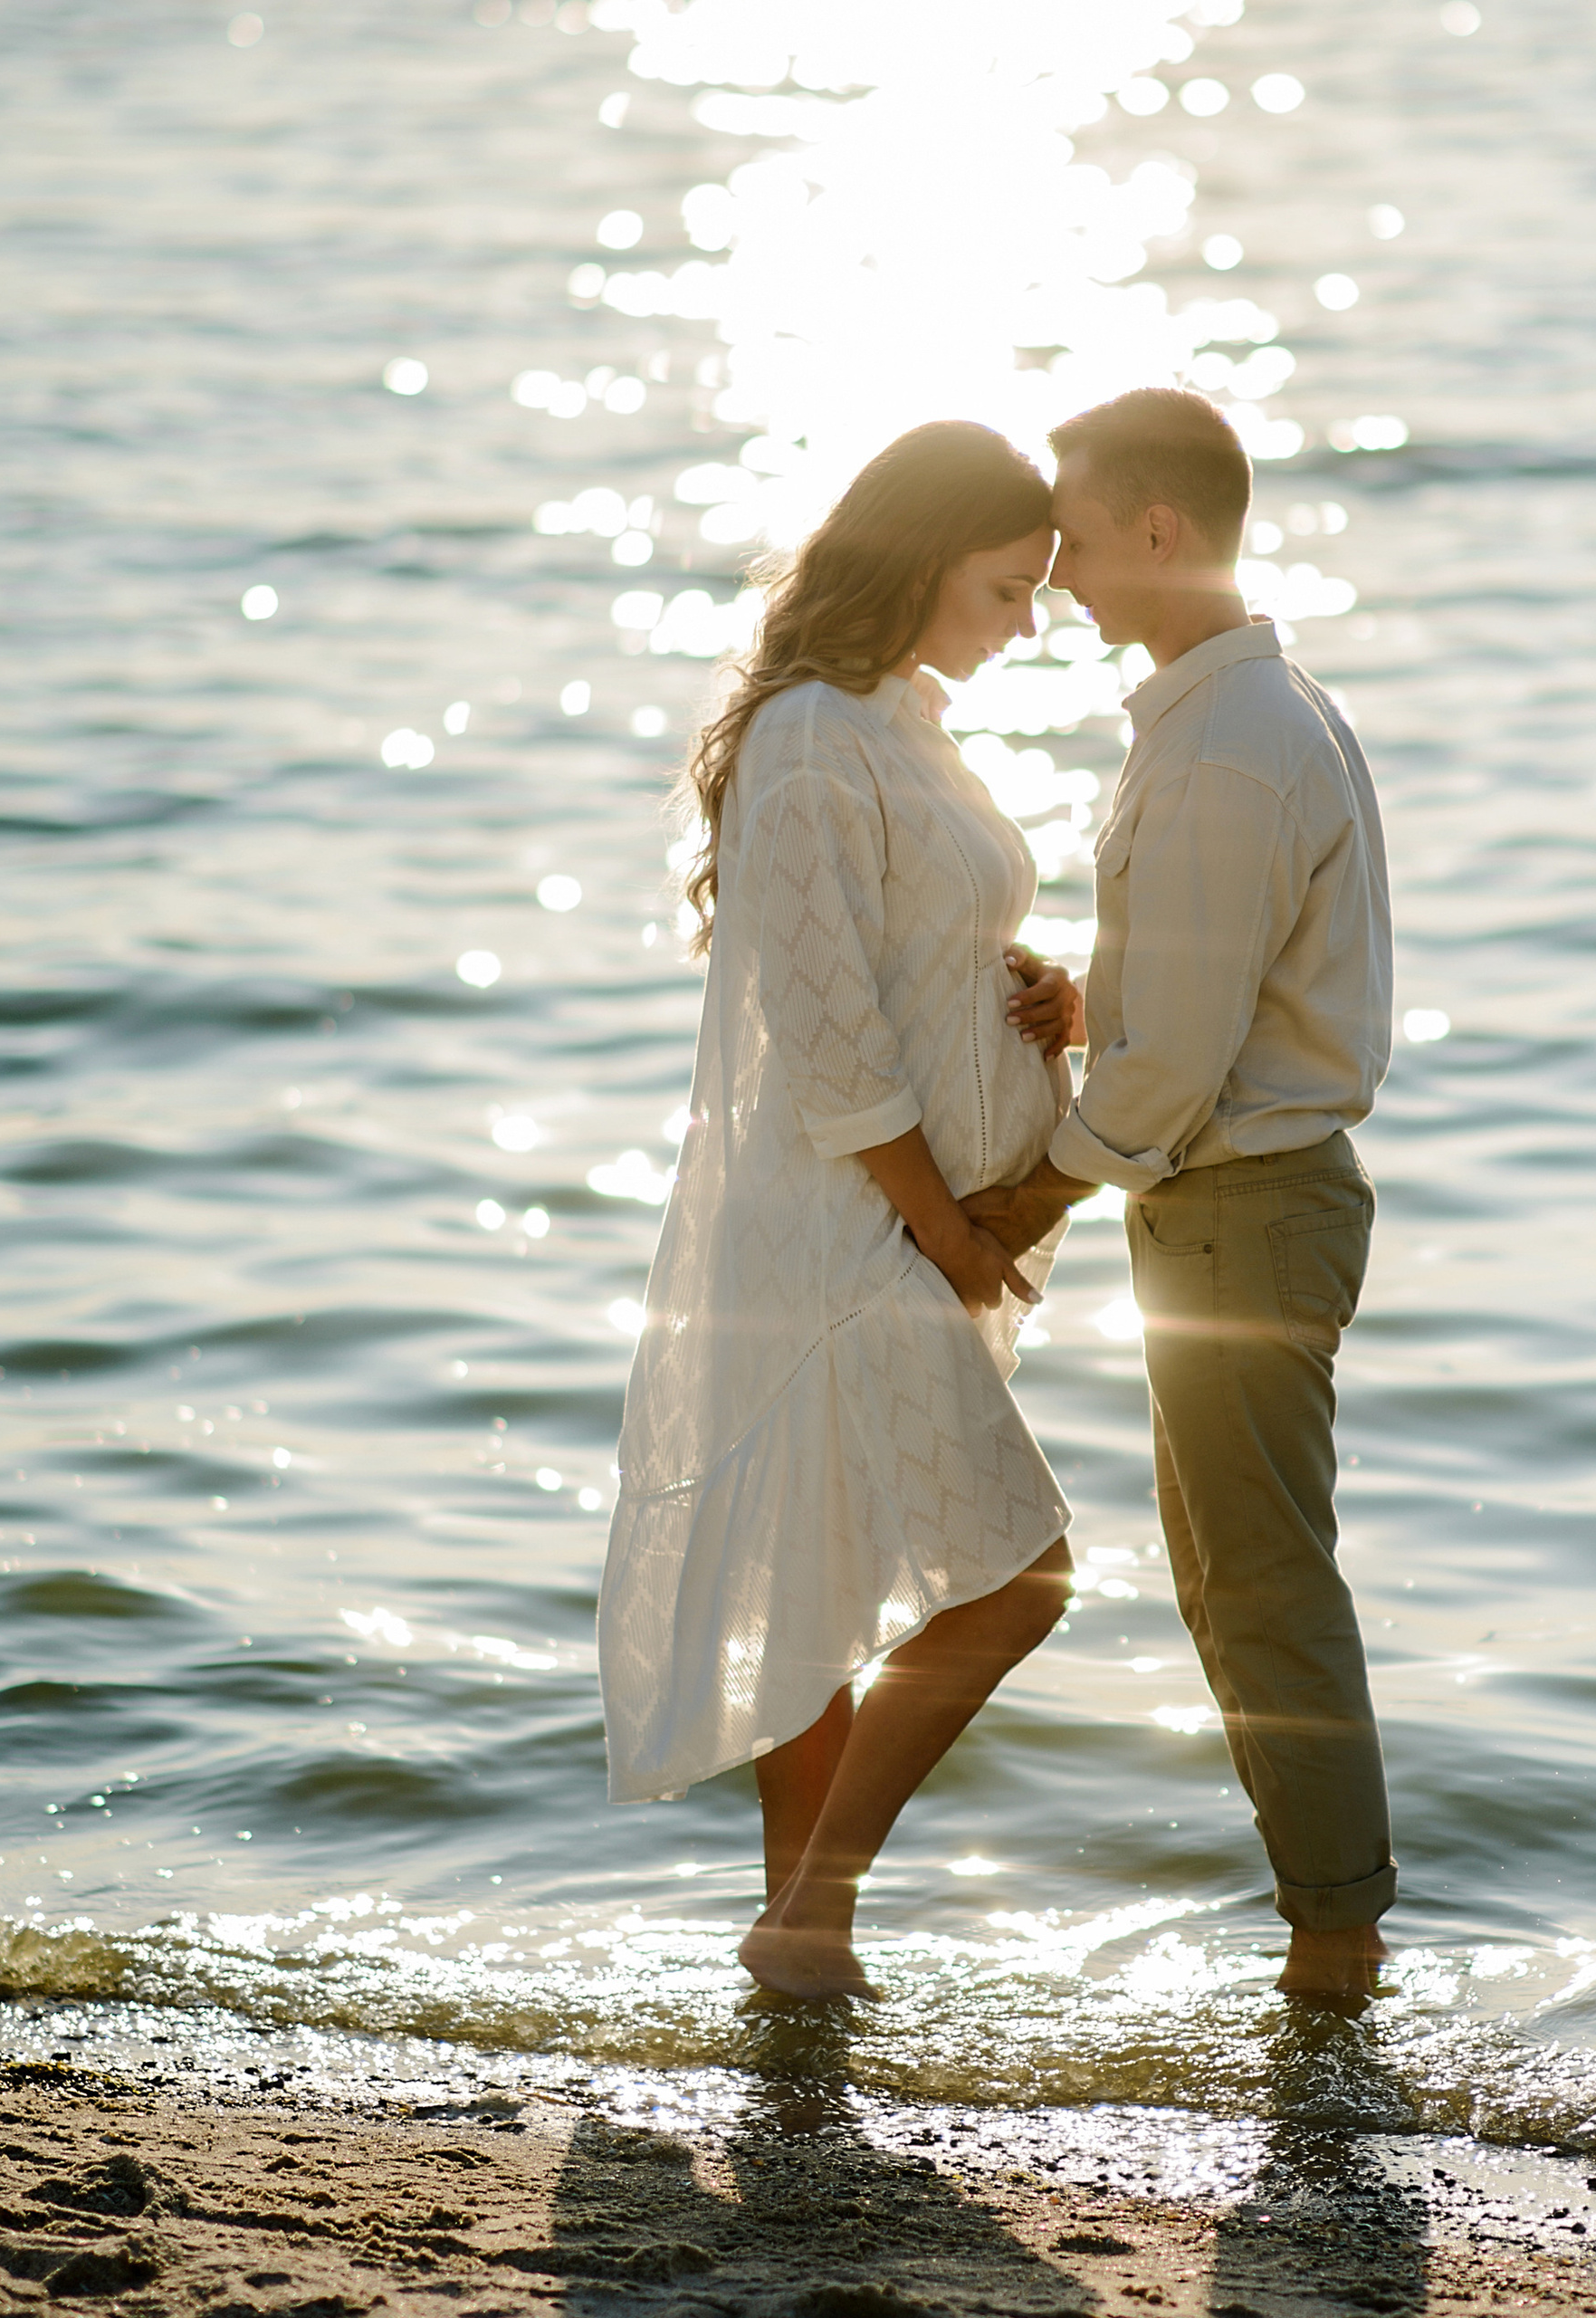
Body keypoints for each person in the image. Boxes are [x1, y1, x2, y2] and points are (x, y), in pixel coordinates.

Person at [597, 421, 1086, 2002]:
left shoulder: (900, 723)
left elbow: (899, 958)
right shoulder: (812, 737)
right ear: (920, 557)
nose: (1027, 624)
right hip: (842, 1240)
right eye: (1008, 589)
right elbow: (825, 1041)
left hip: (899, 1224)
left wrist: (1026, 992)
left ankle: (808, 1947)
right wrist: (947, 1230)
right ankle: (808, 1910)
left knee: (819, 1593)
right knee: (1021, 1579)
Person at [967, 387, 1398, 2003]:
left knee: (1260, 1579)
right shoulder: (1243, 712)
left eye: (1074, 535)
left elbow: (1179, 1075)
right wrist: (1104, 997)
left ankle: (1337, 1947)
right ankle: (1327, 1928)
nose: (1059, 570)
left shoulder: (1229, 743)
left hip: (1245, 1206)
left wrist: (1020, 1202)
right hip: (1242, 1199)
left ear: (1158, 528)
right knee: (1235, 1573)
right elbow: (1225, 991)